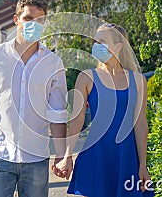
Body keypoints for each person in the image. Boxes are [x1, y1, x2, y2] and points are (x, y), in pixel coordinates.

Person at [0, 0, 68, 197]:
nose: (34, 25)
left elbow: (57, 113)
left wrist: (60, 154)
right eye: (28, 19)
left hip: (36, 158)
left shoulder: (53, 63)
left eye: (40, 21)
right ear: (16, 20)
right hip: (0, 155)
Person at [54, 23, 155, 196]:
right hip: (96, 155)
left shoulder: (138, 81)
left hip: (126, 157)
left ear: (118, 46)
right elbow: (77, 120)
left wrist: (143, 164)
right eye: (95, 41)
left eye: (102, 41)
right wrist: (67, 156)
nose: (96, 46)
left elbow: (140, 124)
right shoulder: (86, 78)